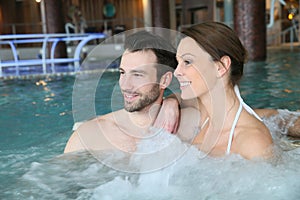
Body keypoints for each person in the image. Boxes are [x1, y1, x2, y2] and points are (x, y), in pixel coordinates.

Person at [64, 30, 200, 153]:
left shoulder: (188, 126)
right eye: (122, 73)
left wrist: (173, 100)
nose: (125, 85)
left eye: (137, 75)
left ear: (164, 81)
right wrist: (172, 100)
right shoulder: (89, 137)